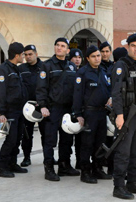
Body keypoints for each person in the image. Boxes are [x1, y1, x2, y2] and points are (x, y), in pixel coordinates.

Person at [110, 33, 136, 199]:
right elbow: (116, 93)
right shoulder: (121, 65)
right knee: (123, 152)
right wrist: (119, 115)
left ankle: (133, 182)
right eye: (133, 46)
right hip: (126, 116)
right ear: (128, 47)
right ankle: (118, 186)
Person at [36, 37, 80, 181]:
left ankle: (64, 165)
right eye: (57, 45)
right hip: (52, 108)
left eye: (62, 46)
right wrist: (42, 106)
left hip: (67, 108)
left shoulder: (72, 67)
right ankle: (49, 169)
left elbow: (76, 89)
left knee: (67, 138)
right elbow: (41, 87)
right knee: (50, 139)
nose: (59, 48)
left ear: (68, 50)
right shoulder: (47, 66)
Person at [73, 45, 112, 183]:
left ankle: (98, 168)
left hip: (102, 112)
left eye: (98, 55)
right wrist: (78, 114)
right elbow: (77, 94)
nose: (97, 58)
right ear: (88, 58)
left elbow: (108, 89)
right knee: (87, 143)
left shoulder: (103, 71)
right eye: (94, 56)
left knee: (100, 143)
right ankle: (85, 171)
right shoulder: (83, 73)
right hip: (89, 112)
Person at [0, 42, 28, 178]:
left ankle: (12, 164)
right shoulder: (3, 70)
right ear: (17, 55)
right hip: (9, 111)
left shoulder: (16, 69)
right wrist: (1, 112)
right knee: (11, 140)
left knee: (17, 138)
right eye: (23, 54)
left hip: (19, 110)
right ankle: (1, 167)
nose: (24, 57)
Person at [19, 44, 44, 167]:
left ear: (36, 54)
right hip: (27, 107)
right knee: (27, 134)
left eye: (30, 54)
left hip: (42, 105)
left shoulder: (44, 67)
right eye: (26, 55)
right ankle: (27, 157)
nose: (28, 57)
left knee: (46, 133)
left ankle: (47, 157)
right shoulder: (21, 68)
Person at [69, 48, 84, 169]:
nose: (77, 59)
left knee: (80, 137)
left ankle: (80, 160)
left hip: (81, 108)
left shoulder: (84, 72)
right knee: (68, 137)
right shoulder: (69, 71)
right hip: (69, 108)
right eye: (75, 57)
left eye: (79, 57)